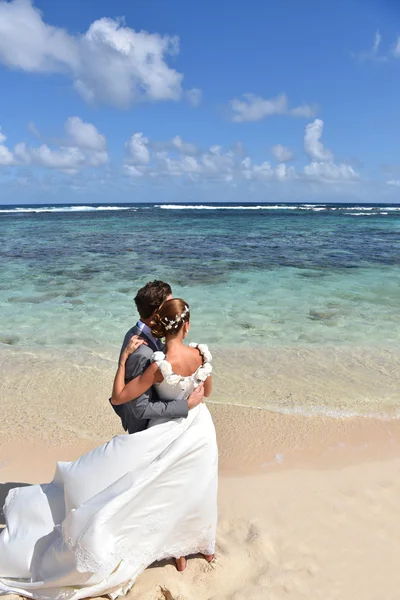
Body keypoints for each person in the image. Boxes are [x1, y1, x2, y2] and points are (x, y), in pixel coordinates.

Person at [0, 299, 218, 600]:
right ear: (187, 325)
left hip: (168, 431)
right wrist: (191, 400)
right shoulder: (201, 354)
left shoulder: (159, 365)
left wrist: (122, 361)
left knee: (165, 488)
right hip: (200, 429)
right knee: (196, 485)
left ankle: (177, 547)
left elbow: (118, 397)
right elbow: (205, 392)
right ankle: (198, 547)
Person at [110, 280, 204, 434]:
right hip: (146, 428)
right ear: (157, 312)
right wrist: (185, 405)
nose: (173, 309)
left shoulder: (143, 332)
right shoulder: (141, 351)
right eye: (169, 304)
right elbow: (140, 408)